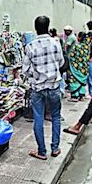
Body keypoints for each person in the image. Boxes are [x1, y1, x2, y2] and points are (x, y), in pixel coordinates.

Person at [23, 16, 65, 160]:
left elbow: (25, 70)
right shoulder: (56, 43)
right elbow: (61, 62)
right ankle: (55, 148)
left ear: (36, 28)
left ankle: (41, 152)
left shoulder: (30, 46)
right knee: (56, 117)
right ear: (48, 27)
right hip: (54, 86)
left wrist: (36, 75)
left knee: (38, 118)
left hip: (38, 88)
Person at [67, 32, 91, 101]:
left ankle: (75, 96)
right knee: (82, 81)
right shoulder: (87, 47)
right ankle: (81, 96)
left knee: (74, 80)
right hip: (84, 68)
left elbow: (71, 56)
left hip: (76, 67)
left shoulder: (77, 46)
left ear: (80, 38)